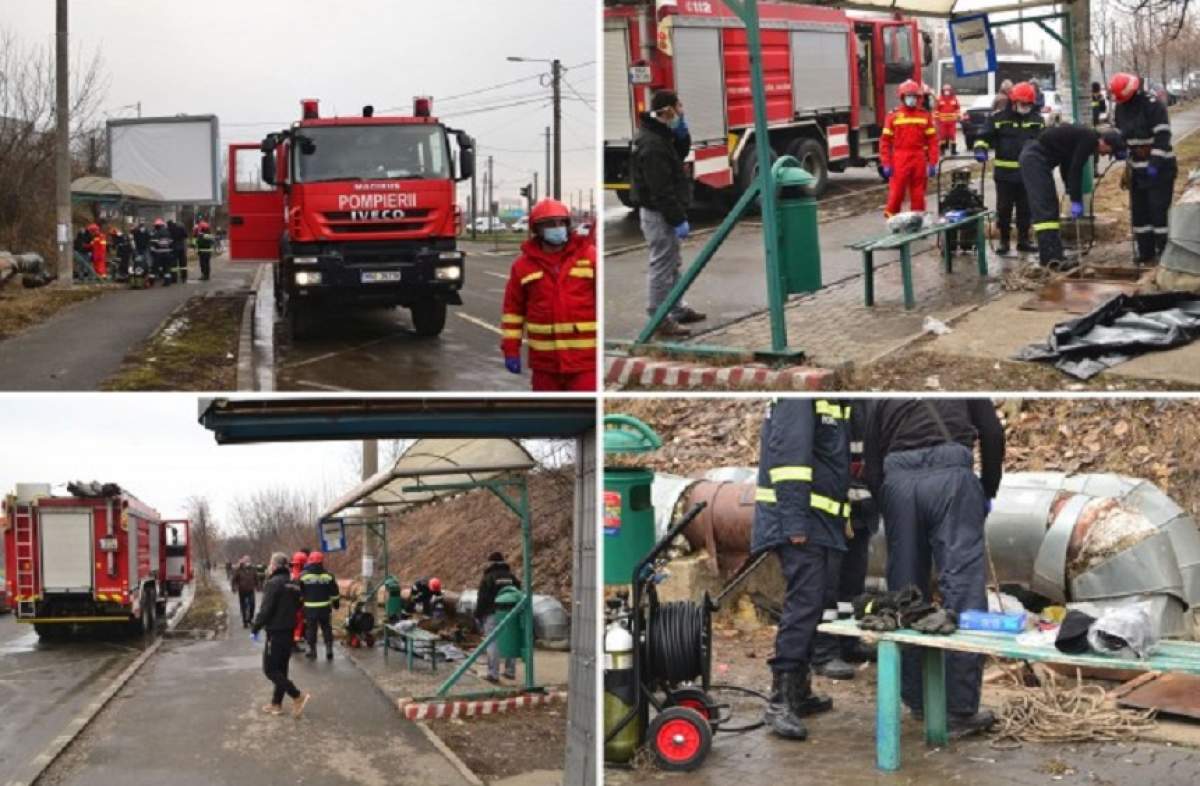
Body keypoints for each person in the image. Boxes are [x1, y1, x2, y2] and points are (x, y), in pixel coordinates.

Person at [863, 399, 1005, 737]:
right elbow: (993, 434)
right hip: (951, 479)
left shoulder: (882, 395)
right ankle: (958, 710)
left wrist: (888, 499)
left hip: (897, 482)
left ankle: (918, 701)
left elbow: (871, 458)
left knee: (905, 595)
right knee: (962, 589)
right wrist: (986, 489)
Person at [751, 398, 852, 740]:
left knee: (816, 603)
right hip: (800, 523)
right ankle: (780, 700)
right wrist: (794, 521)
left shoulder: (833, 402)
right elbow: (790, 462)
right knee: (804, 604)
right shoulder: (798, 399)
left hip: (820, 522)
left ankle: (799, 692)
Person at [811, 400, 880, 680]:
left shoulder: (867, 405)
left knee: (852, 581)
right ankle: (823, 650)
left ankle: (847, 640)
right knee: (827, 583)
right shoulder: (823, 408)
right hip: (830, 510)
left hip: (860, 510)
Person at [629, 89, 706, 338]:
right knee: (663, 264)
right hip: (658, 213)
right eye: (679, 107)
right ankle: (660, 317)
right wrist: (677, 218)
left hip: (662, 211)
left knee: (672, 262)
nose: (682, 111)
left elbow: (677, 156)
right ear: (668, 110)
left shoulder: (660, 135)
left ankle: (676, 307)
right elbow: (661, 190)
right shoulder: (652, 145)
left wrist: (682, 135)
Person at [500, 198, 597, 392]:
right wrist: (511, 349)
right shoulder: (523, 266)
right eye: (551, 224)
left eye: (562, 222)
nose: (558, 227)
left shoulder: (589, 257)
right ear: (537, 229)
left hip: (585, 362)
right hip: (545, 365)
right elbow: (513, 312)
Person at [1019, 124, 1127, 269]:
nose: (1104, 155)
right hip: (1034, 159)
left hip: (1035, 158)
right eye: (1108, 152)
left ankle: (1053, 256)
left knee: (1050, 207)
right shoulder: (1089, 139)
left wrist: (1070, 189)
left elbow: (1067, 164)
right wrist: (1076, 200)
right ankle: (1052, 259)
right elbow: (1076, 170)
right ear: (1104, 142)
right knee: (1045, 210)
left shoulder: (1085, 136)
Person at [1111, 72, 1176, 264]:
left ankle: (1165, 252)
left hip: (1160, 168)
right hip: (1137, 169)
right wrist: (1120, 147)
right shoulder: (1121, 107)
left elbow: (1163, 137)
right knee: (1139, 213)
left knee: (1158, 212)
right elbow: (1120, 132)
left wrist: (1154, 165)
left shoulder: (1152, 105)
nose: (1121, 101)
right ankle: (1146, 251)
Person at [973, 81, 1044, 255]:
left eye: (1029, 104)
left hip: (1027, 174)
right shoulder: (998, 119)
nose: (1026, 107)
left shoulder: (1037, 120)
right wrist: (980, 148)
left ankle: (1023, 240)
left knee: (1025, 209)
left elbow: (1043, 143)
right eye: (1023, 103)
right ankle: (1004, 241)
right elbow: (983, 136)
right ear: (1013, 101)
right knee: (1004, 209)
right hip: (1004, 174)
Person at [251, 552, 310, 717]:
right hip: (289, 630)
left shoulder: (273, 583)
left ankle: (297, 695)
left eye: (271, 563)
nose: (269, 566)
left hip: (275, 632)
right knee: (281, 669)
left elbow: (266, 609)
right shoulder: (294, 583)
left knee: (269, 669)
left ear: (275, 565)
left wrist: (255, 627)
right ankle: (276, 704)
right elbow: (299, 606)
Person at [880, 80, 939, 218]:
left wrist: (932, 162)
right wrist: (886, 163)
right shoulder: (893, 116)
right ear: (902, 97)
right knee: (897, 192)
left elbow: (932, 141)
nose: (911, 99)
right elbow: (885, 142)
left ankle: (917, 221)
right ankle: (891, 220)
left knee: (918, 193)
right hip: (900, 158)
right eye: (908, 95)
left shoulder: (924, 115)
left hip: (919, 158)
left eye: (914, 96)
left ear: (918, 98)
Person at [475, 551, 521, 683]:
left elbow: (482, 599)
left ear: (491, 563)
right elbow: (518, 593)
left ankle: (493, 674)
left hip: (492, 613)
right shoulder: (511, 577)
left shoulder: (488, 577)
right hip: (510, 613)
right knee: (510, 640)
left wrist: (478, 615)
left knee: (493, 642)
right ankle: (510, 671)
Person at [299, 551, 339, 661]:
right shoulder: (329, 576)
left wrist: (299, 604)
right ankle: (329, 650)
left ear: (310, 561)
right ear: (322, 562)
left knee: (311, 629)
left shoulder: (303, 576)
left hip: (310, 608)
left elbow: (299, 593)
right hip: (325, 608)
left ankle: (312, 651)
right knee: (326, 628)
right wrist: (336, 604)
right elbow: (335, 593)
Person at [231, 556, 259, 628]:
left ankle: (250, 619)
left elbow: (256, 578)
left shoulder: (253, 569)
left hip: (250, 590)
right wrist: (234, 587)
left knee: (252, 604)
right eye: (246, 561)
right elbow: (234, 579)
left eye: (248, 561)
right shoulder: (239, 569)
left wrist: (257, 586)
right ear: (243, 562)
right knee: (243, 606)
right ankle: (245, 621)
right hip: (242, 590)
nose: (247, 562)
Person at [935, 85, 961, 156]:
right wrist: (937, 120)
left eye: (948, 90)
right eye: (945, 90)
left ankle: (953, 150)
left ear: (951, 90)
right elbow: (936, 110)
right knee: (942, 136)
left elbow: (957, 108)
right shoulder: (939, 99)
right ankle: (942, 151)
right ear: (942, 91)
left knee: (952, 136)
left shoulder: (954, 99)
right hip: (942, 122)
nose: (947, 91)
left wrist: (958, 115)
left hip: (952, 122)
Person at [149, 219, 174, 285]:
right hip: (167, 253)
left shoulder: (156, 233)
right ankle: (167, 282)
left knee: (154, 268)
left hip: (158, 253)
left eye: (155, 226)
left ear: (157, 226)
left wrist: (152, 252)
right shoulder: (168, 233)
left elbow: (153, 244)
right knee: (167, 268)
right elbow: (171, 243)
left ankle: (151, 282)